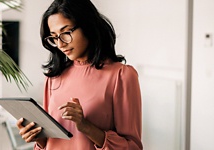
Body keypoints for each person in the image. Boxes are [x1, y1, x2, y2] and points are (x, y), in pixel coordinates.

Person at [16, 0, 143, 149]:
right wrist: (39, 138)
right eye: (54, 37)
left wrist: (85, 126)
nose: (60, 44)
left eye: (66, 33)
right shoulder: (54, 77)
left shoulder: (121, 76)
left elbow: (133, 146)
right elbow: (52, 143)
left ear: (88, 26)